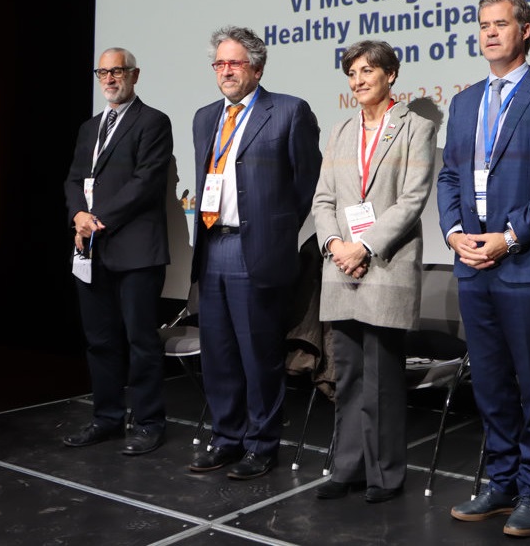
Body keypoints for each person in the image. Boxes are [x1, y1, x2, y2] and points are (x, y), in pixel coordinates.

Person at [437, 0, 530, 537]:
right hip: (471, 262)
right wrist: (455, 233)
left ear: (525, 31)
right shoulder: (464, 101)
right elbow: (450, 176)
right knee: (491, 382)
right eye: (483, 26)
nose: (490, 33)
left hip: (528, 263)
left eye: (501, 24)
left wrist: (509, 235)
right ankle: (499, 481)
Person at [188, 26, 321, 480]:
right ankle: (226, 438)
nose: (226, 71)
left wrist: (275, 232)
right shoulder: (205, 117)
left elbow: (307, 184)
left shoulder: (287, 111)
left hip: (257, 251)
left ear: (257, 68)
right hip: (212, 245)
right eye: (219, 64)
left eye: (235, 63)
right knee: (218, 353)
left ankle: (261, 445)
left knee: (258, 354)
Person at [310, 40, 436, 503]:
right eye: (352, 73)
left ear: (391, 75)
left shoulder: (414, 128)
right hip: (341, 265)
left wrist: (363, 245)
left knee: (382, 379)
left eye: (367, 71)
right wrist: (335, 246)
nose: (359, 80)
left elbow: (412, 199)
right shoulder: (341, 131)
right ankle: (347, 468)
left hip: (385, 264)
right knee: (347, 377)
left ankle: (385, 474)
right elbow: (323, 199)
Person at [63, 47, 173, 456]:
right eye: (103, 72)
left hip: (136, 251)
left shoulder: (154, 122)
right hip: (91, 249)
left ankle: (147, 422)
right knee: (100, 341)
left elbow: (144, 184)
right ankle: (106, 418)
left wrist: (95, 218)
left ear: (135, 75)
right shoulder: (89, 128)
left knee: (141, 340)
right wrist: (78, 214)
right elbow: (74, 179)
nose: (110, 79)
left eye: (118, 72)